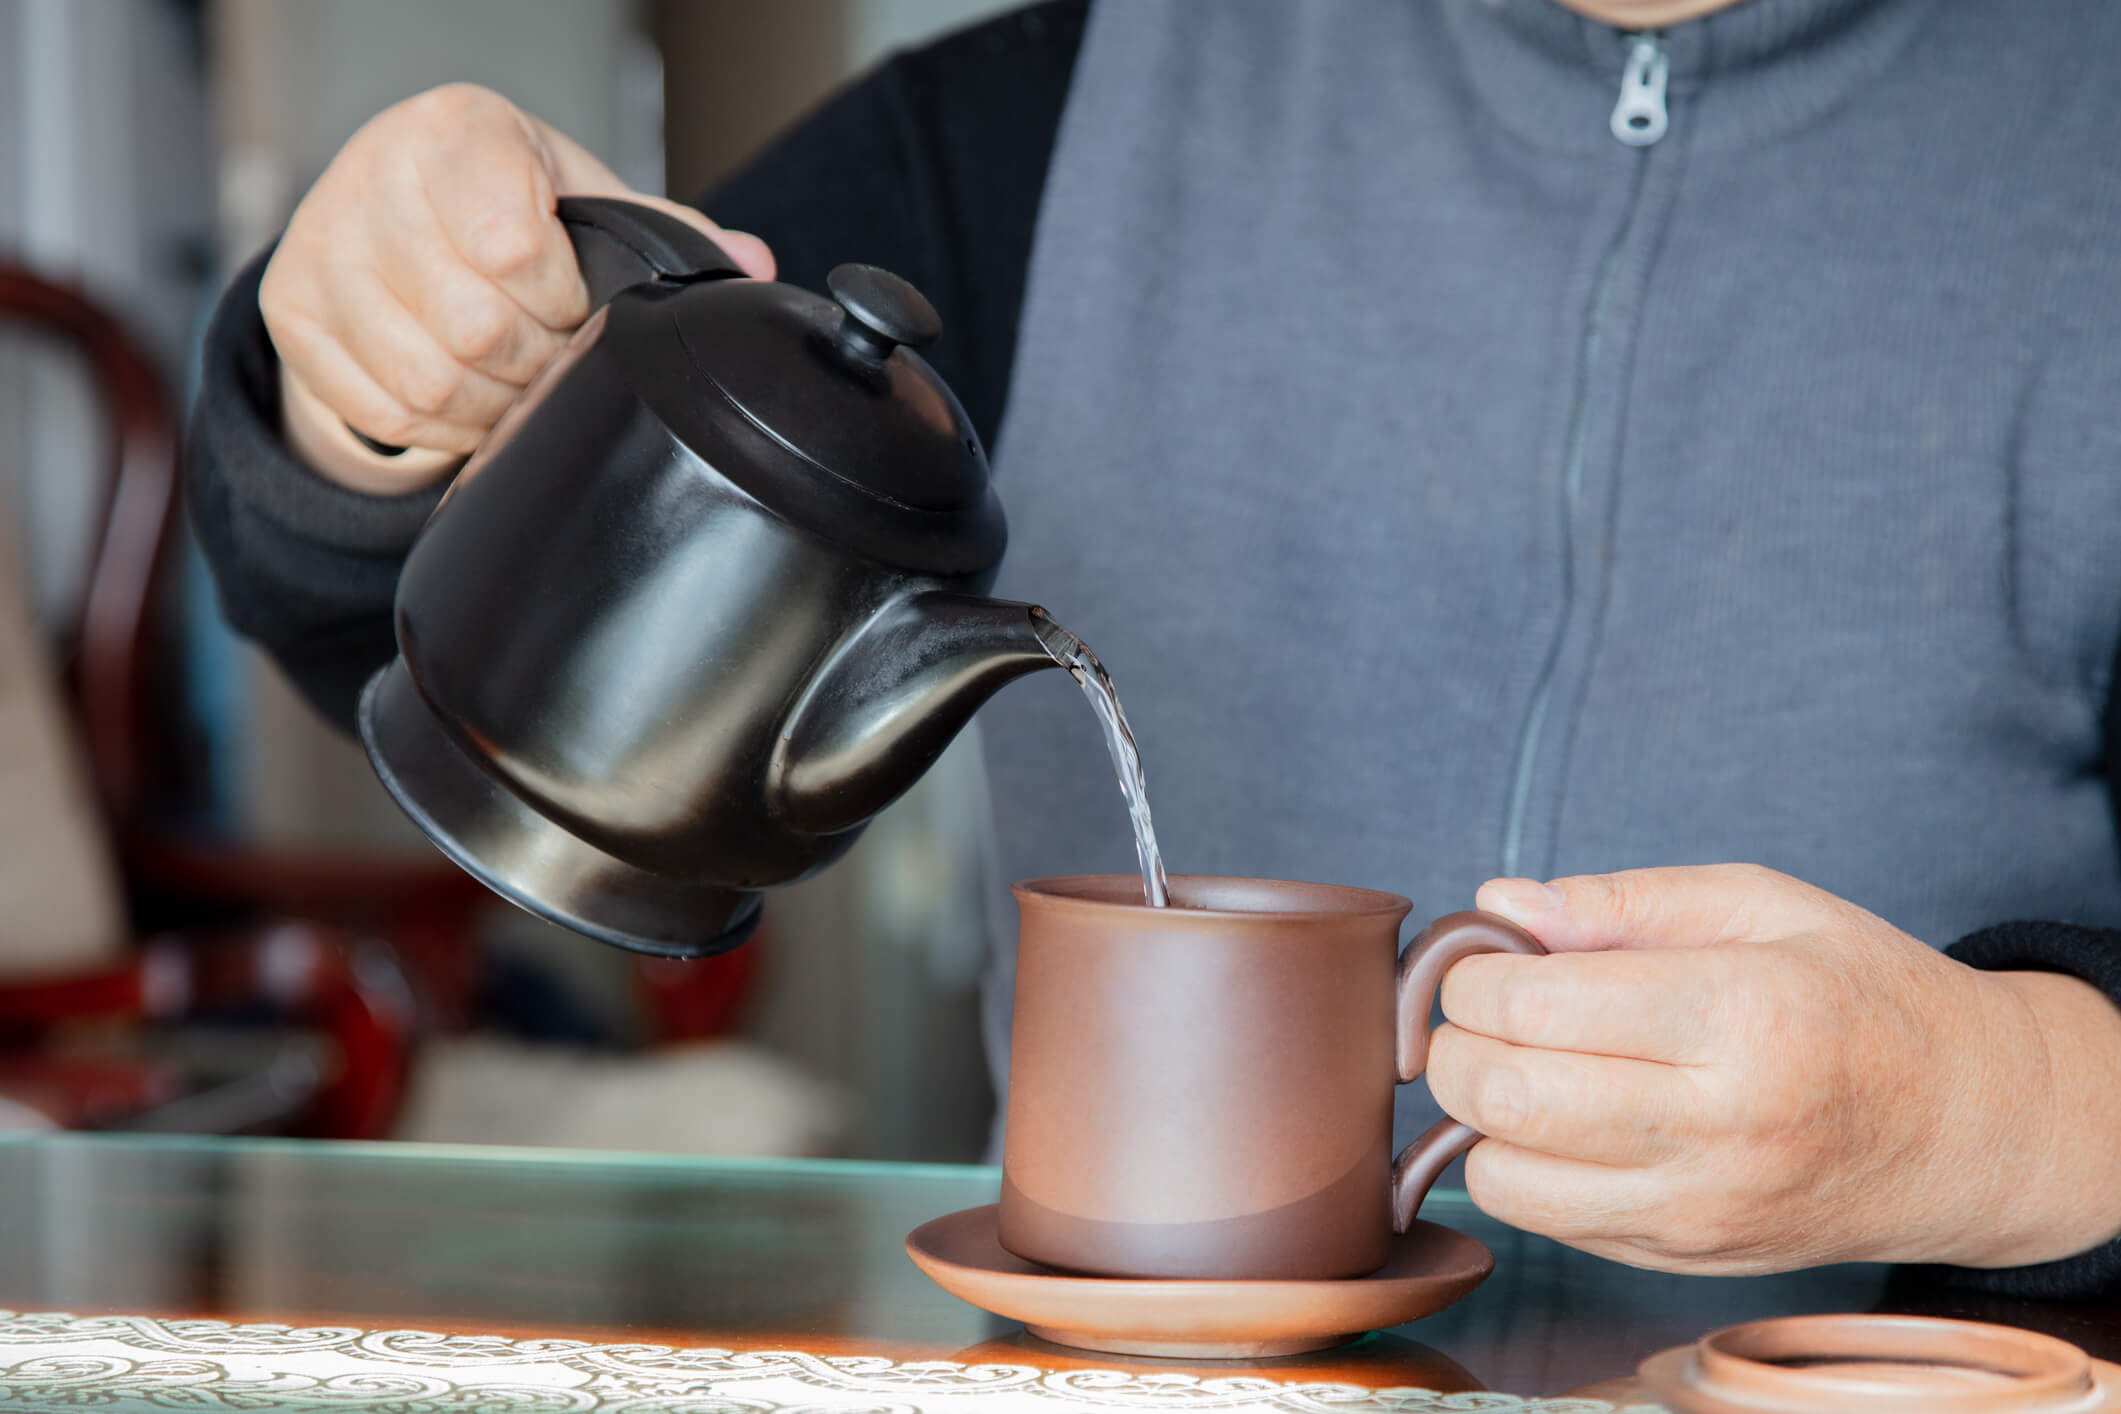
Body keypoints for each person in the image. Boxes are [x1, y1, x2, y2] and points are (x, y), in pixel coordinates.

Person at [188, 0, 2121, 1295]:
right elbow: (409, 640)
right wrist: (373, 384)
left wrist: (1999, 1114)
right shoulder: (1054, 118)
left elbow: (2027, 1120)